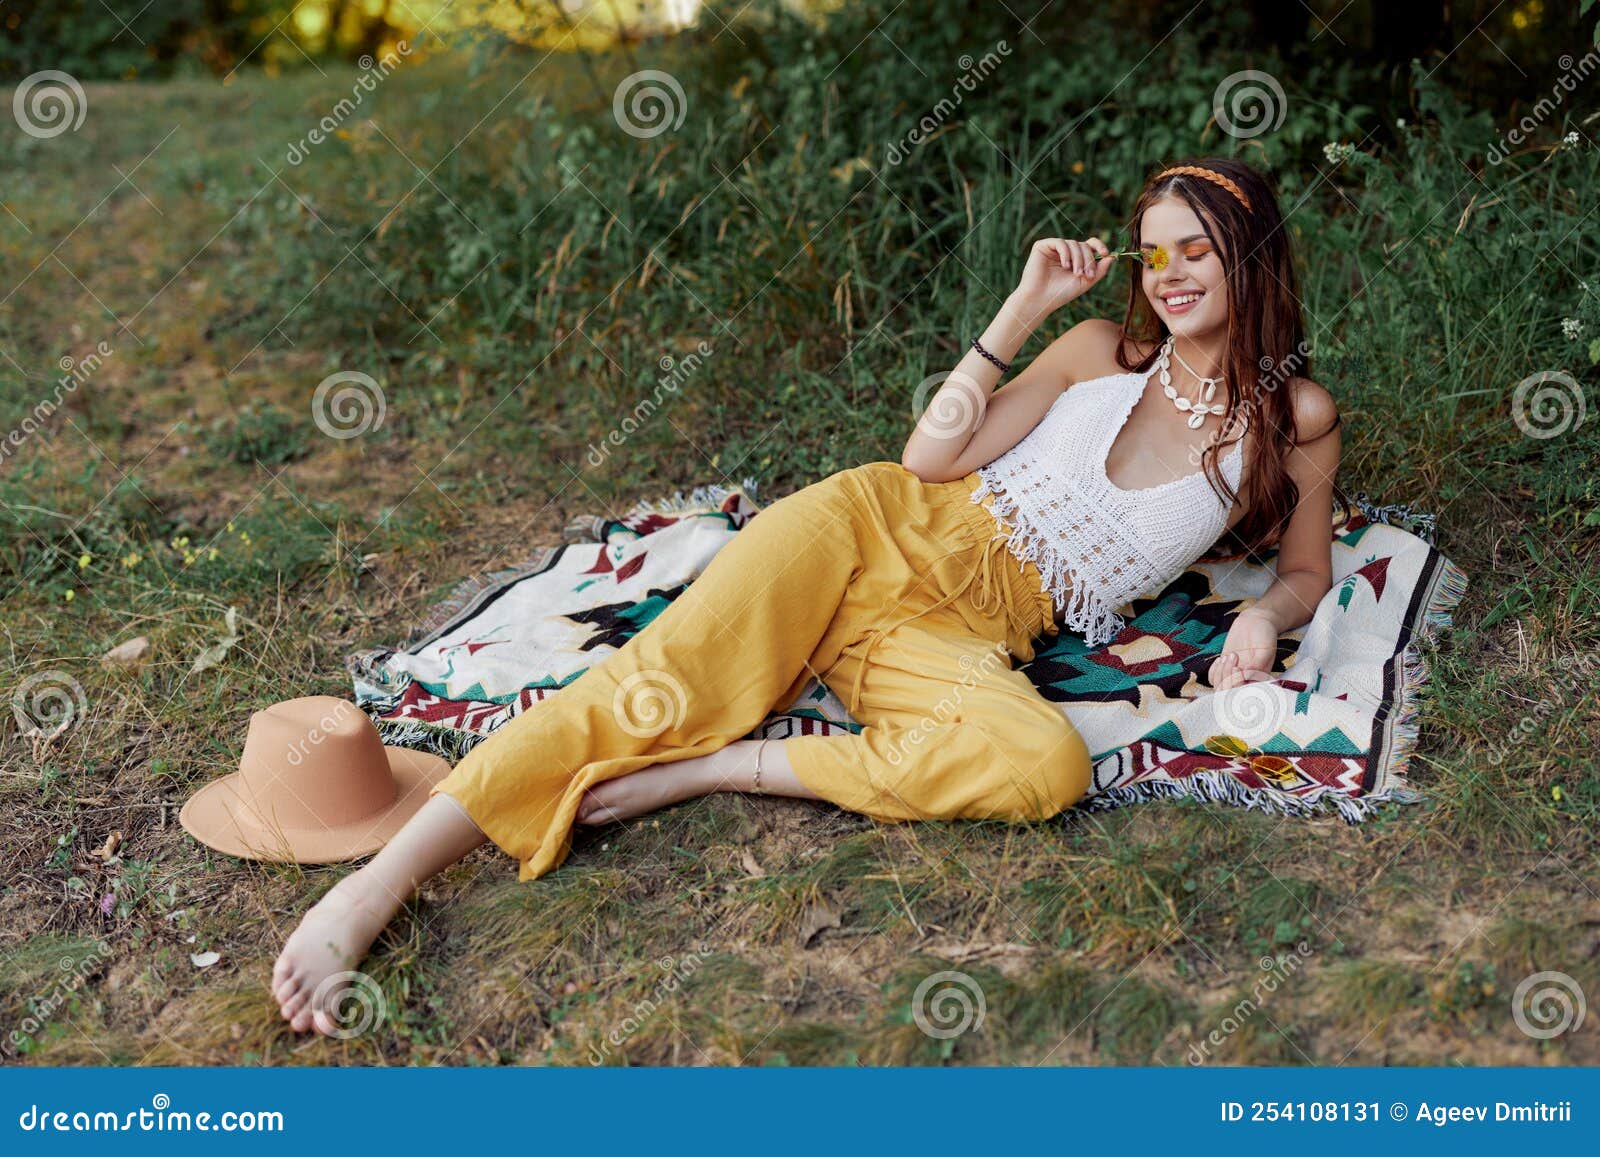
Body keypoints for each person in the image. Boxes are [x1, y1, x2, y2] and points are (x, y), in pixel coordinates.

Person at [271, 156, 1343, 1035]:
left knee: (1043, 764)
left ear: (1249, 250)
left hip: (959, 630)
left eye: (1194, 248)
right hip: (871, 526)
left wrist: (1259, 615)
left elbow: (1304, 573)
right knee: (655, 681)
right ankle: (371, 888)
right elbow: (929, 457)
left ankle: (716, 768)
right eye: (1154, 252)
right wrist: (1023, 307)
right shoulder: (1099, 351)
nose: (1168, 272)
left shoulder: (1294, 417)